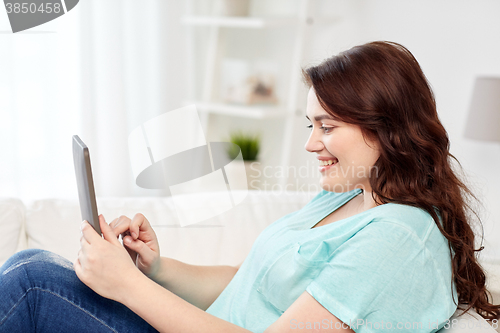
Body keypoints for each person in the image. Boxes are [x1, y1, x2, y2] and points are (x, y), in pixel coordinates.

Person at [1, 41, 499, 332]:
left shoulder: (399, 238)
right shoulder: (347, 196)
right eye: (310, 126)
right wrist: (156, 269)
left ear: (387, 127)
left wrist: (126, 287)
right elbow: (256, 282)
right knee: (30, 268)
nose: (311, 145)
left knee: (34, 281)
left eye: (327, 127)